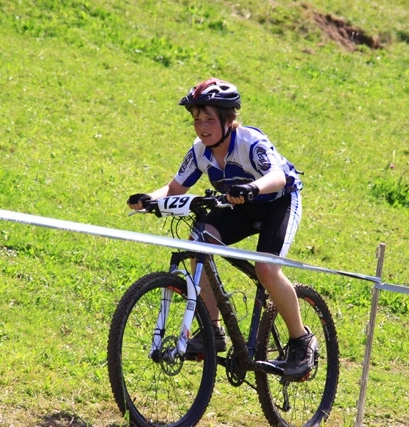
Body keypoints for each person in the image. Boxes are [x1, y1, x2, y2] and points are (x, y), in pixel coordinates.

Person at [126, 78, 317, 380]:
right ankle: (212, 332)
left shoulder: (249, 141)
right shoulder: (199, 151)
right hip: (241, 205)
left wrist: (253, 187)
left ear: (228, 120)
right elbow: (175, 188)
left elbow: (278, 176)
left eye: (209, 120)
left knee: (266, 269)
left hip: (278, 202)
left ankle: (302, 340)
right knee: (198, 241)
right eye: (196, 120)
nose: (202, 127)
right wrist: (149, 199)